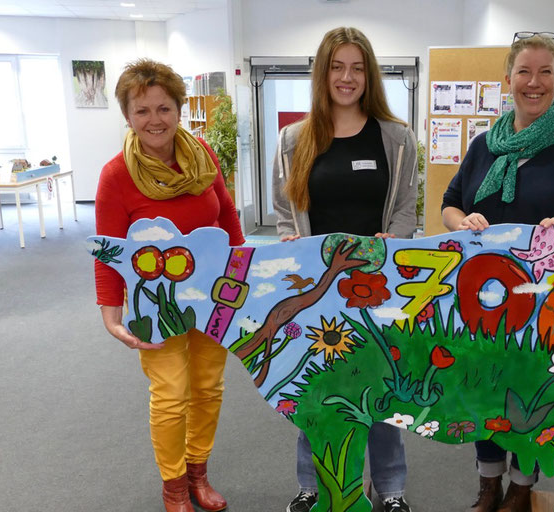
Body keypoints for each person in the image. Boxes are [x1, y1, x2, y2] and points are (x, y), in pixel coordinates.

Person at [442, 33, 554, 512]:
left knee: (535, 390)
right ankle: (488, 482)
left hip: (549, 301)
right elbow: (449, 206)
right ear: (508, 79)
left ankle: (522, 483)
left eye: (544, 72)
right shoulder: (484, 146)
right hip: (485, 297)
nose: (533, 83)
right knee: (487, 388)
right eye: (524, 72)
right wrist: (466, 221)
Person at [271, 27, 417, 512]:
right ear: (323, 73)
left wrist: (392, 244)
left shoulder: (395, 137)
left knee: (384, 389)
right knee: (316, 391)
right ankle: (313, 486)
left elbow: (405, 208)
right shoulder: (295, 139)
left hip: (379, 285)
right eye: (337, 67)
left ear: (369, 74)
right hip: (317, 289)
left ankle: (391, 489)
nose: (347, 77)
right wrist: (293, 243)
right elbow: (284, 209)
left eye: (357, 68)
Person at [94, 58, 244, 512]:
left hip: (212, 294)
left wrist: (241, 276)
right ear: (127, 116)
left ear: (179, 109)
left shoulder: (203, 156)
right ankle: (174, 485)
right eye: (142, 111)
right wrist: (110, 314)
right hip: (153, 305)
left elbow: (229, 220)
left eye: (163, 108)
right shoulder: (116, 175)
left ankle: (198, 472)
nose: (154, 120)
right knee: (171, 394)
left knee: (207, 387)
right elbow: (108, 250)